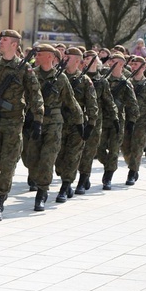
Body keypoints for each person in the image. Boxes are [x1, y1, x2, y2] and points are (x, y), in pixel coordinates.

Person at [0, 30, 44, 221]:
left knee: (7, 164)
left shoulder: (24, 68)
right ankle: (0, 187)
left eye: (4, 40)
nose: (0, 42)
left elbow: (35, 95)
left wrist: (37, 120)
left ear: (14, 44)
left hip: (13, 123)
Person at [22, 44, 83, 212]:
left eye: (40, 54)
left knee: (48, 158)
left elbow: (71, 102)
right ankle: (38, 181)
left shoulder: (61, 78)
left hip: (54, 123)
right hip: (35, 121)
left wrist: (80, 122)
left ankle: (42, 193)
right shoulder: (31, 75)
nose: (37, 56)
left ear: (50, 57)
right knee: (31, 158)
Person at [55, 47, 98, 203]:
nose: (65, 58)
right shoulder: (58, 76)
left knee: (73, 156)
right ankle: (65, 180)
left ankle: (64, 187)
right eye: (64, 55)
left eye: (69, 56)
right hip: (59, 123)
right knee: (58, 159)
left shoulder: (85, 80)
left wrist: (91, 124)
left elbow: (92, 104)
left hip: (76, 124)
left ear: (78, 61)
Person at [77, 52, 117, 194]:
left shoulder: (102, 81)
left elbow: (109, 101)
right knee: (76, 152)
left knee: (89, 151)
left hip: (95, 121)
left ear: (95, 61)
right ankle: (81, 176)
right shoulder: (79, 78)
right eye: (84, 59)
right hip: (78, 120)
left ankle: (82, 179)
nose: (85, 61)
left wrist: (115, 118)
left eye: (88, 59)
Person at [98, 52, 139, 190]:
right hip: (103, 119)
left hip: (118, 121)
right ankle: (107, 165)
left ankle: (108, 175)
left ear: (121, 64)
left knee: (114, 149)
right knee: (99, 148)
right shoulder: (104, 80)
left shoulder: (125, 83)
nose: (110, 62)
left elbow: (133, 104)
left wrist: (132, 122)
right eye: (110, 60)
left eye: (114, 60)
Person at [126, 56, 146, 185]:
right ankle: (132, 164)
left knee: (138, 147)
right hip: (127, 119)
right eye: (132, 64)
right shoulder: (127, 82)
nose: (133, 66)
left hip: (141, 120)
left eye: (136, 64)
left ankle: (132, 172)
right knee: (125, 146)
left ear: (143, 67)